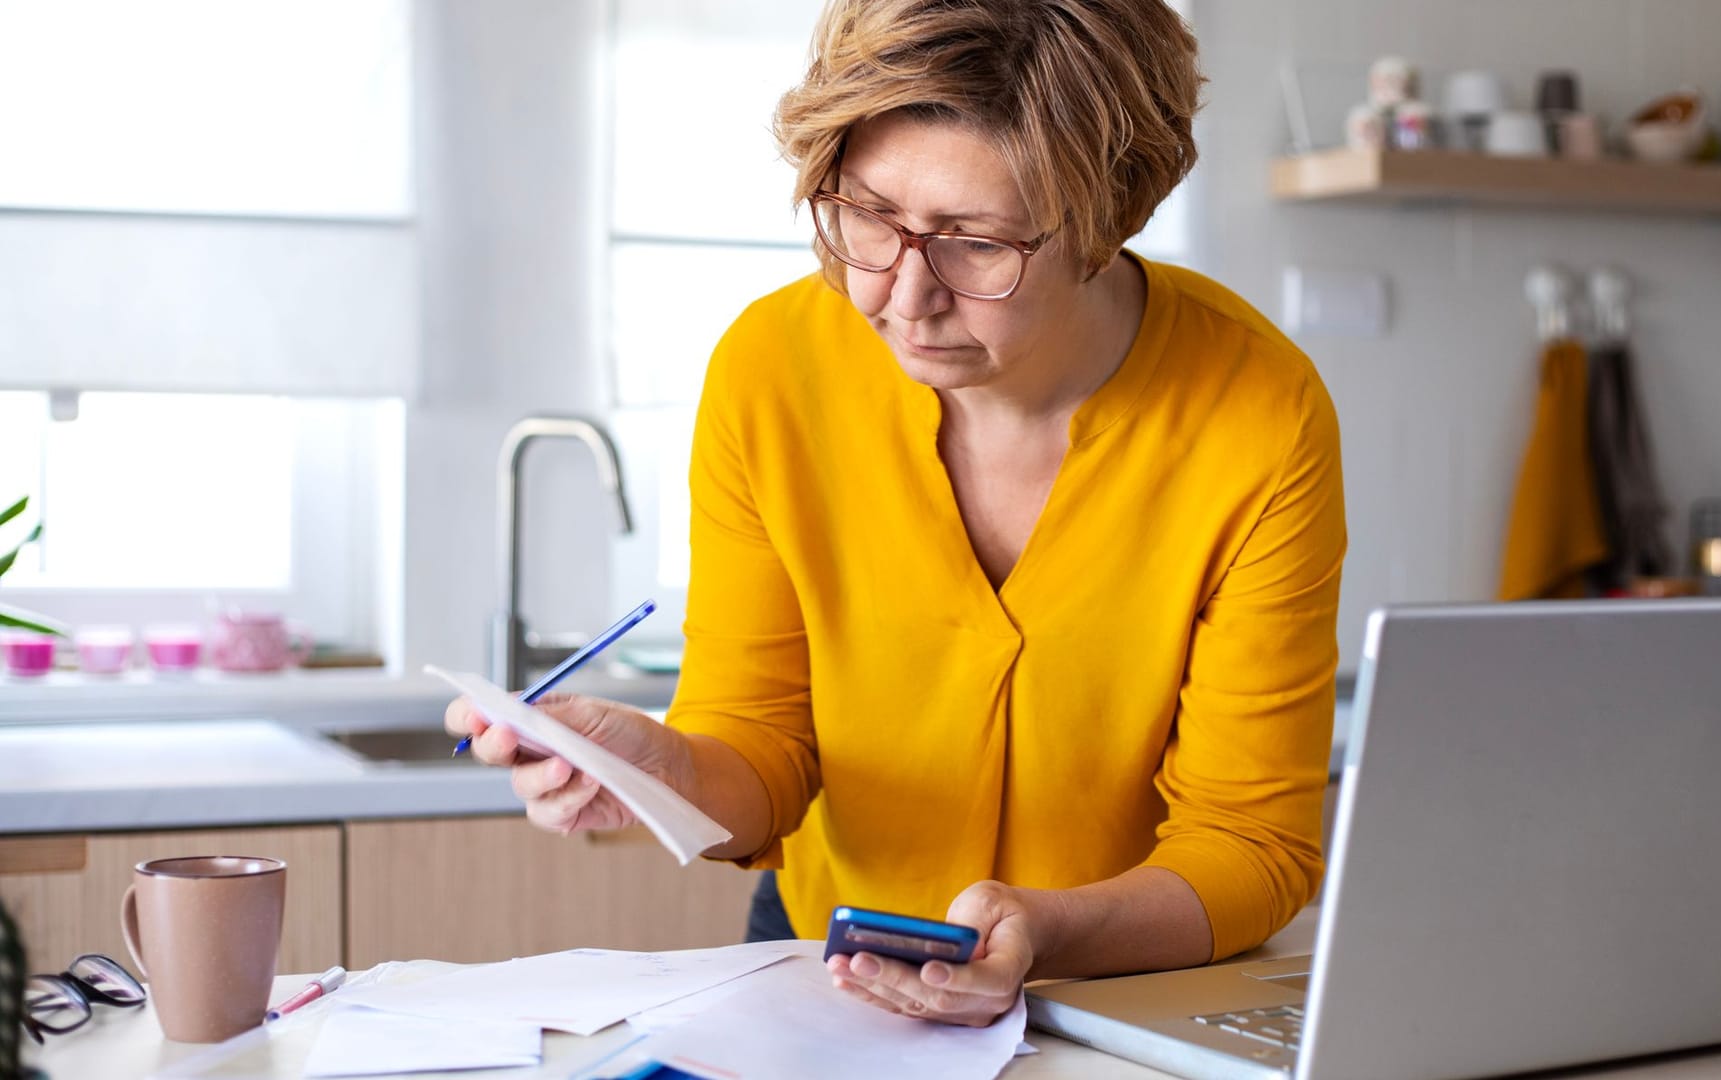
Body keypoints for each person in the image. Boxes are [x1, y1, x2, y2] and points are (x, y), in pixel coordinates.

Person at [445, 0, 1345, 1028]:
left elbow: (1253, 845)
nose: (902, 297)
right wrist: (666, 769)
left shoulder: (1258, 413)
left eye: (977, 242)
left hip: (1132, 1005)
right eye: (868, 215)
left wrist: (1047, 928)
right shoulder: (772, 369)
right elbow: (760, 749)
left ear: (1108, 219)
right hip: (832, 972)